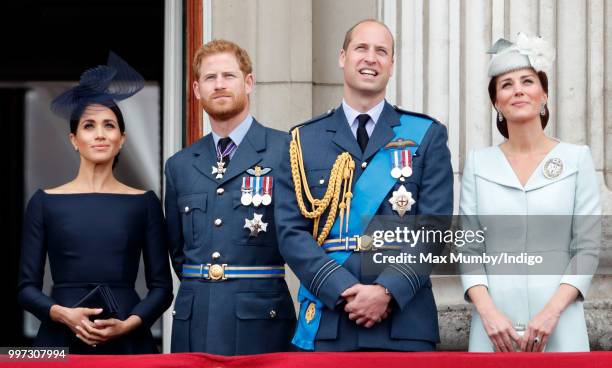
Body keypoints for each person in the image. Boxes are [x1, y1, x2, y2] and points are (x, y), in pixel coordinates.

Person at [275, 19, 453, 351]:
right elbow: (290, 231)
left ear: (391, 65)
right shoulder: (303, 140)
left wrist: (387, 291)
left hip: (405, 322)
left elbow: (434, 228)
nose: (370, 58)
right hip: (331, 319)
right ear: (343, 57)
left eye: (381, 51)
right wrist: (342, 289)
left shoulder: (426, 134)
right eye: (361, 48)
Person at [17, 53, 174, 354]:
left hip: (127, 337)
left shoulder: (144, 203)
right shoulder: (44, 202)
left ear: (122, 138)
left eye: (109, 125)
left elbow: (162, 288)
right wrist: (63, 314)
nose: (100, 134)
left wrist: (129, 323)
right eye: (89, 126)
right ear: (74, 139)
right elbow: (26, 289)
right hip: (60, 337)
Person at [459, 33, 601, 352]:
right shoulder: (478, 163)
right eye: (506, 84)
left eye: (527, 81)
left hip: (559, 323)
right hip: (494, 327)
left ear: (544, 94)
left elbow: (587, 248)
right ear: (496, 102)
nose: (518, 90)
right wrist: (489, 314)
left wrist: (551, 314)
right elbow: (469, 250)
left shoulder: (577, 159)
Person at [165, 39, 296, 355]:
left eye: (229, 75)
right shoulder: (180, 165)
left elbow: (302, 238)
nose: (219, 84)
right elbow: (178, 251)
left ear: (248, 83)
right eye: (210, 78)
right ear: (197, 90)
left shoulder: (286, 151)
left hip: (261, 321)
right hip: (195, 319)